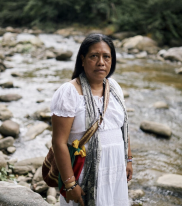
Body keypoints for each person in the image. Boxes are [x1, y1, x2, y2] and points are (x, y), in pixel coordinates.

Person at [51, 33, 133, 206]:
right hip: (83, 173)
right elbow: (59, 142)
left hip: (115, 168)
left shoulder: (114, 87)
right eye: (94, 56)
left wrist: (129, 160)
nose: (101, 62)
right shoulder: (69, 92)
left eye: (106, 57)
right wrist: (70, 183)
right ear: (82, 59)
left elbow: (122, 128)